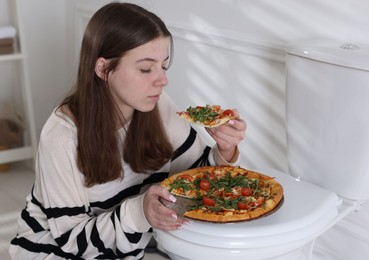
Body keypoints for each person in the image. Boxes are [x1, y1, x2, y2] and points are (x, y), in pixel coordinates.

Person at [9, 2, 246, 259]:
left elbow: (193, 179)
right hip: (55, 251)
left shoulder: (158, 105)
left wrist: (225, 150)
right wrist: (140, 212)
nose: (162, 80)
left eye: (163, 66)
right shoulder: (62, 136)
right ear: (103, 69)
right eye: (145, 69)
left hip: (129, 242)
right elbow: (72, 242)